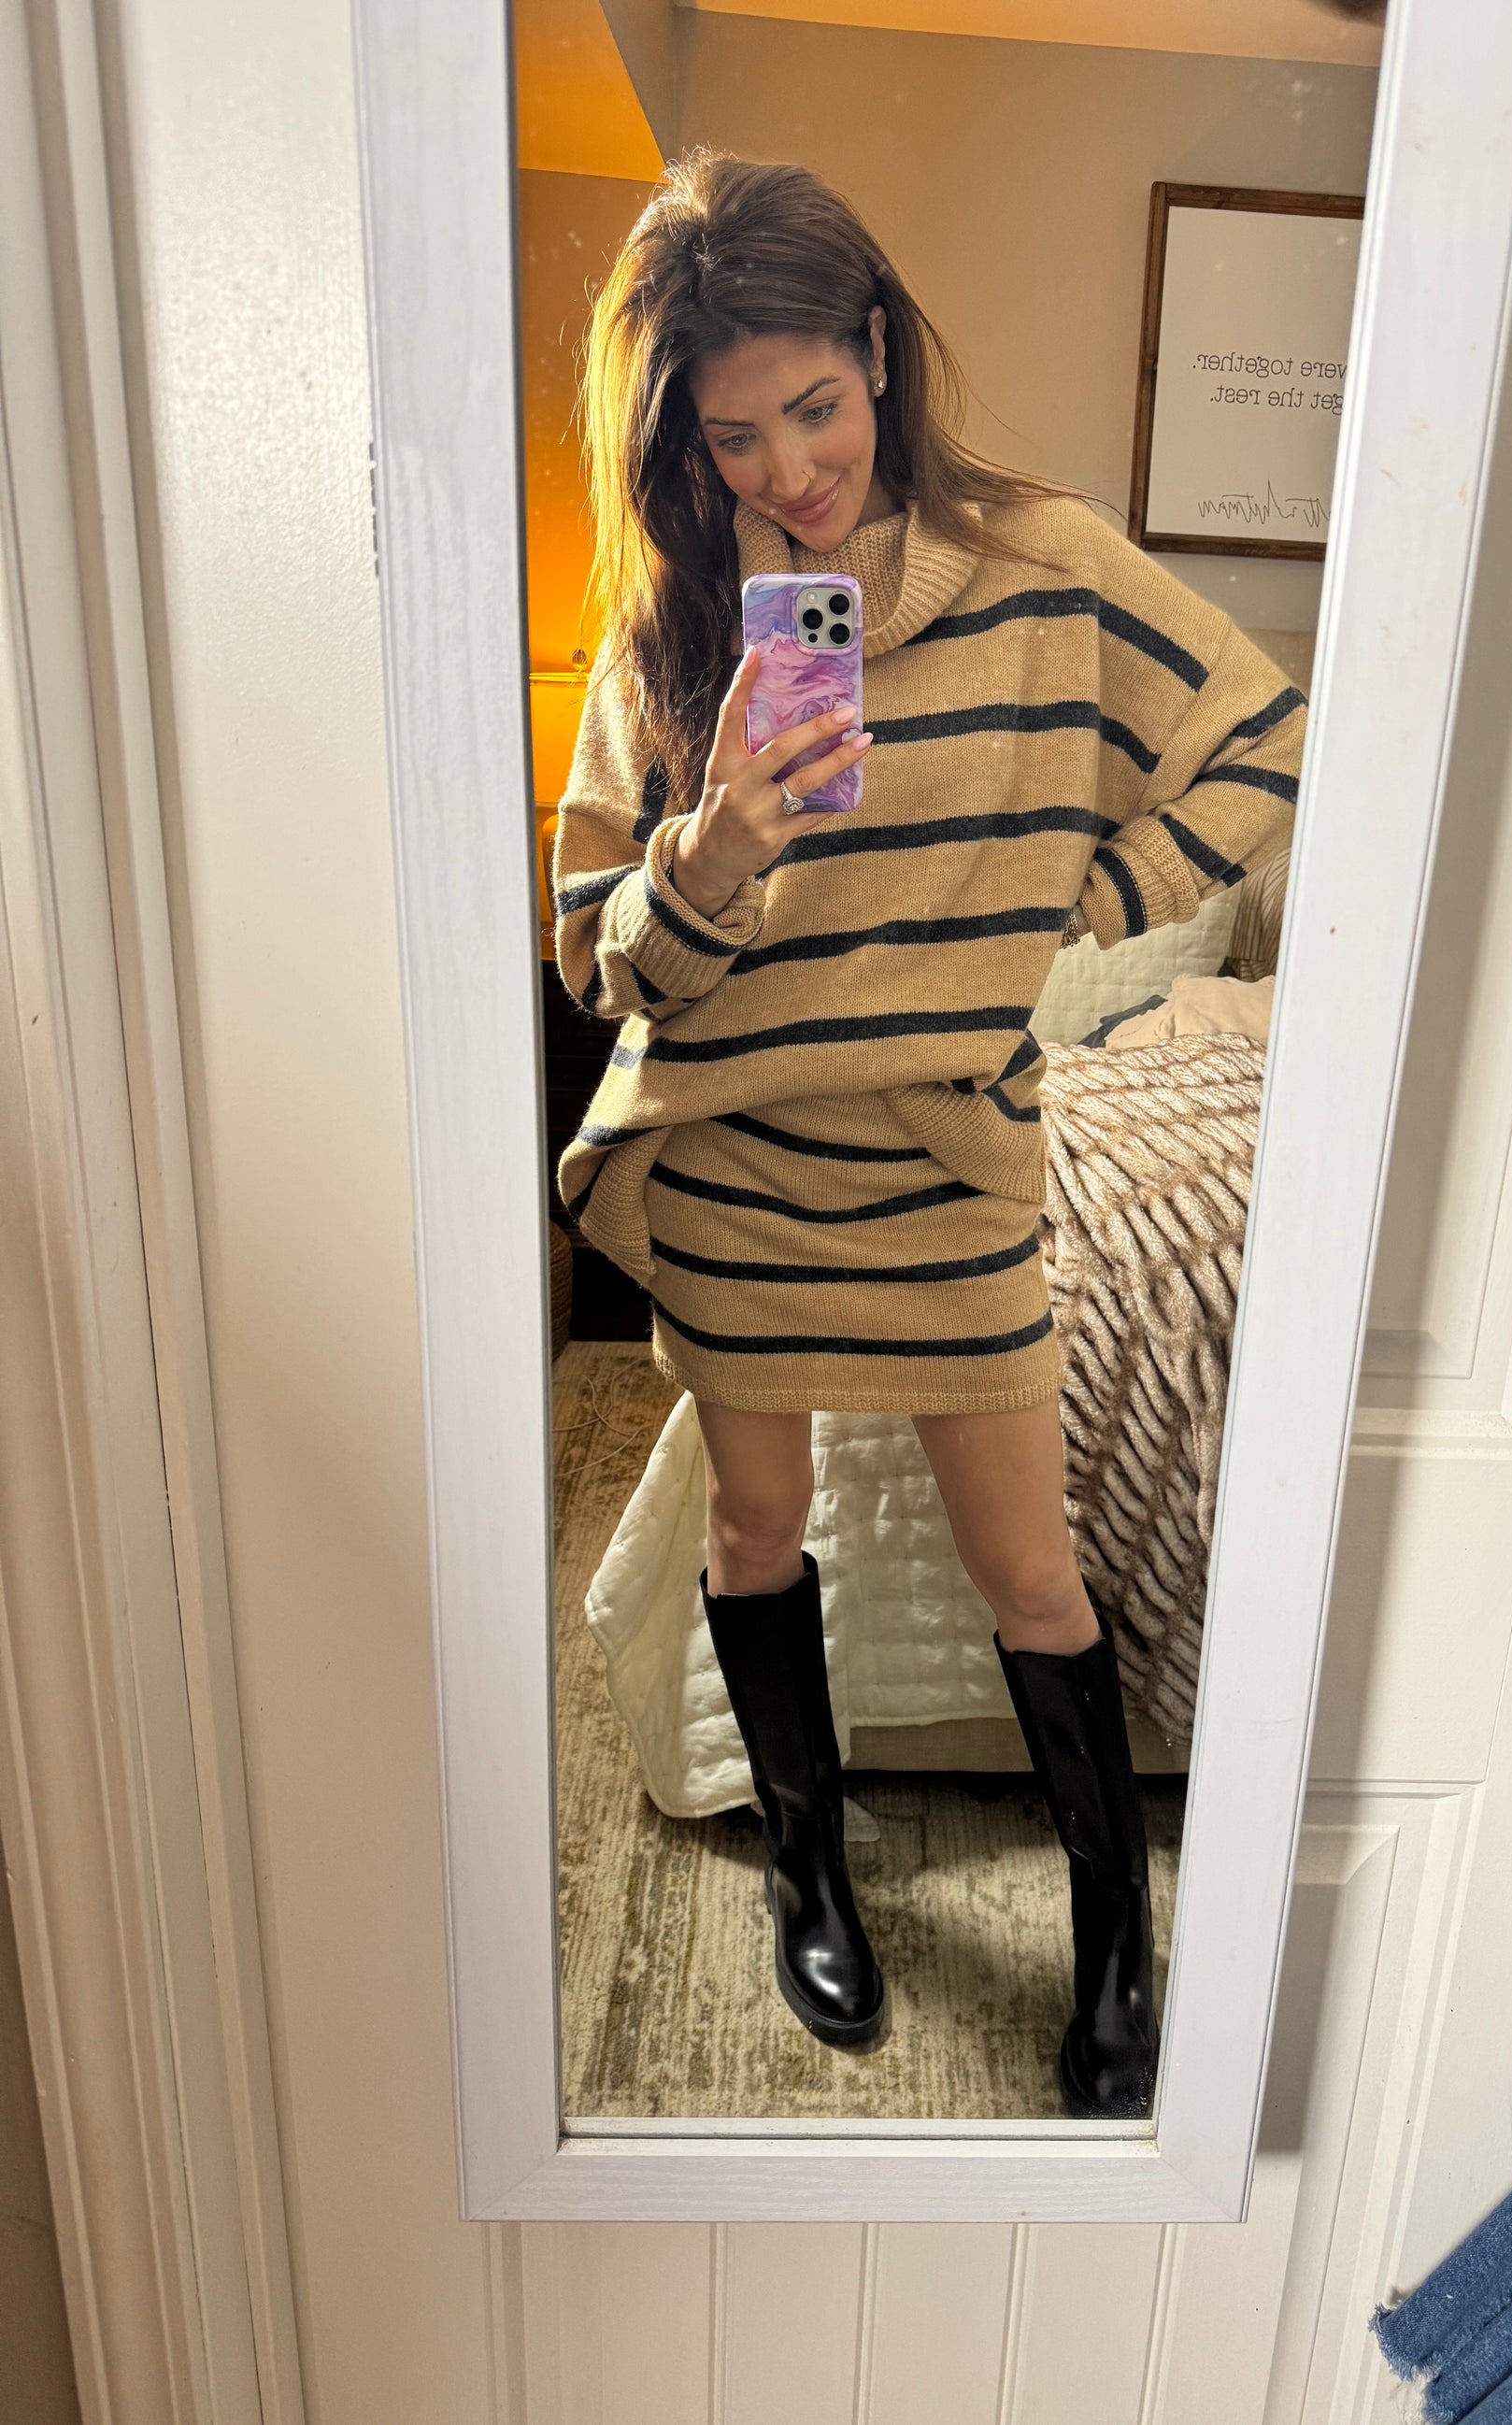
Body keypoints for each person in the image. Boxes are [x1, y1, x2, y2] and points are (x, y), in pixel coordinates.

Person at [552, 150, 1303, 2119]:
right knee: (752, 1526)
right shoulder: (674, 629)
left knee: (1029, 1572)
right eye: (733, 437)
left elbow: (1266, 736)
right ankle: (810, 1863)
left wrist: (1085, 903)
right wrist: (715, 845)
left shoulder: (1044, 565)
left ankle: (1110, 1933)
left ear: (878, 351)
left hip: (954, 1161)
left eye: (815, 404)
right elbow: (598, 960)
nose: (790, 470)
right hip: (734, 1158)